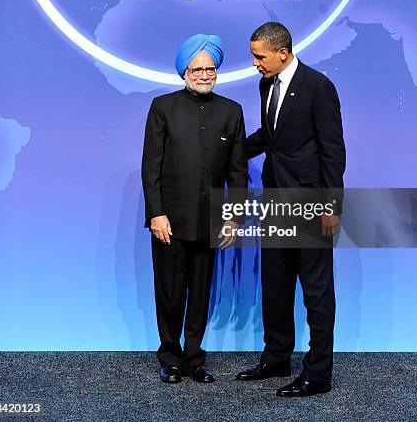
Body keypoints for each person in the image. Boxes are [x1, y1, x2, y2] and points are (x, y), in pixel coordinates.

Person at [235, 22, 346, 397]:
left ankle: (318, 373)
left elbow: (333, 150)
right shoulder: (267, 83)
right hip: (276, 199)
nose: (254, 64)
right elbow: (271, 136)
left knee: (315, 289)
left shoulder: (318, 87)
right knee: (276, 282)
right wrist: (230, 151)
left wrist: (332, 206)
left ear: (282, 53)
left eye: (259, 56)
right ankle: (276, 357)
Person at [142, 34, 247, 384]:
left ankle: (194, 359)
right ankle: (169, 358)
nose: (205, 74)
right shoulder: (163, 107)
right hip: (169, 221)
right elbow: (151, 167)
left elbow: (237, 171)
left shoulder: (231, 111)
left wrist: (233, 217)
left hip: (209, 221)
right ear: (184, 72)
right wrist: (156, 213)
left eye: (210, 68)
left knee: (201, 294)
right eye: (197, 68)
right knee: (170, 293)